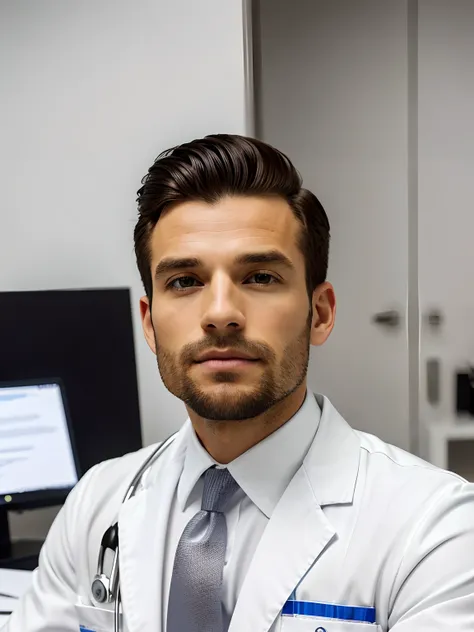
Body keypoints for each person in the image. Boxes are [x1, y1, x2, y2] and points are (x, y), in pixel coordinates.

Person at [6, 134, 474, 632]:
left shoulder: (435, 531)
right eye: (184, 281)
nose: (221, 314)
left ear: (320, 313)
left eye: (260, 277)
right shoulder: (96, 503)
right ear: (149, 322)